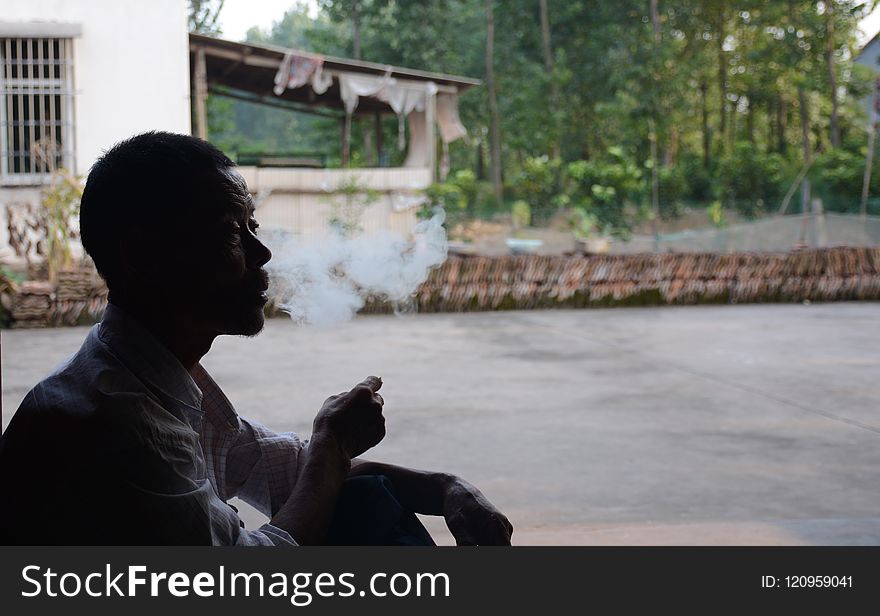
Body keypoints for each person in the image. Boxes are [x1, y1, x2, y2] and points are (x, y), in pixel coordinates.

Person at [0, 131, 512, 546]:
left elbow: (286, 466)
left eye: (253, 226)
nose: (261, 252)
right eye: (230, 230)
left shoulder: (153, 379)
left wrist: (444, 486)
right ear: (141, 256)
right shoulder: (118, 420)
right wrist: (332, 443)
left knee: (365, 497)